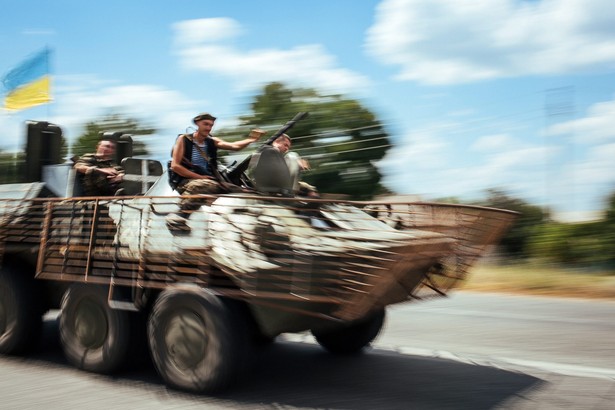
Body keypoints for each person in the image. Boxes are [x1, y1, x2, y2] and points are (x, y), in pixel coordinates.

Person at [166, 112, 266, 231]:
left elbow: (234, 146)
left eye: (211, 125)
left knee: (243, 191)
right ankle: (179, 215)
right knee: (204, 186)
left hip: (210, 181)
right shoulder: (184, 139)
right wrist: (200, 177)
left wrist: (251, 139)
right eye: (205, 124)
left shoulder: (211, 141)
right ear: (197, 123)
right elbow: (176, 166)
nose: (208, 128)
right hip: (185, 179)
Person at [249, 133, 318, 197]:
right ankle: (289, 194)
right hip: (266, 187)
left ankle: (291, 194)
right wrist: (295, 161)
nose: (287, 149)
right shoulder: (265, 151)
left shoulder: (280, 159)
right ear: (276, 142)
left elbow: (283, 176)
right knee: (292, 155)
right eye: (285, 145)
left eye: (288, 147)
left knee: (292, 156)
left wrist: (308, 188)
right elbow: (256, 168)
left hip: (279, 188)